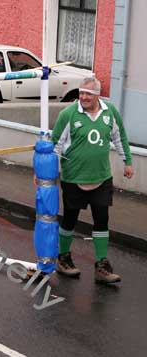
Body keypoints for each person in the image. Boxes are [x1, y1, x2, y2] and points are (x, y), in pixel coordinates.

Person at [51, 77, 133, 284]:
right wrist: (47, 173)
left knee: (102, 219)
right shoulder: (68, 114)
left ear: (98, 94)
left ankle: (102, 265)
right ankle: (63, 258)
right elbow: (55, 145)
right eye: (81, 93)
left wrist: (128, 162)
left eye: (88, 93)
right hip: (74, 177)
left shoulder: (110, 112)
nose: (84, 97)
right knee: (70, 219)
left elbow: (119, 136)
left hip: (101, 177)